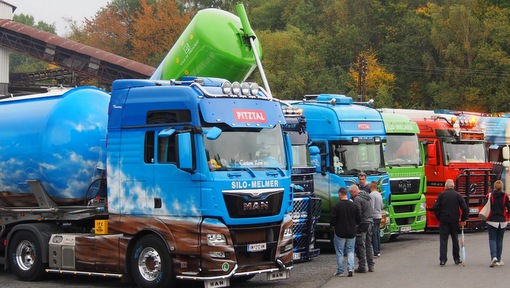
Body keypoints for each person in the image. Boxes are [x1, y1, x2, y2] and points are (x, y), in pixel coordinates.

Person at [432, 179, 468, 266]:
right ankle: (456, 258)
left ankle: (443, 259)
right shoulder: (457, 195)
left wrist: (439, 216)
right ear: (453, 186)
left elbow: (435, 207)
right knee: (455, 239)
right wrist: (463, 219)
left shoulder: (442, 195)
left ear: (446, 186)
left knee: (443, 240)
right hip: (454, 220)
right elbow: (464, 208)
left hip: (444, 219)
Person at [330, 187, 361, 277]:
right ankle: (351, 268)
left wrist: (333, 227)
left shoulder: (336, 206)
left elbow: (332, 220)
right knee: (350, 250)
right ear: (346, 194)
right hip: (351, 232)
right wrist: (355, 225)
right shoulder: (354, 206)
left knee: (340, 252)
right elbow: (359, 218)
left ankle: (341, 271)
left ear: (340, 194)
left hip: (340, 232)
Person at [349, 184, 375, 273]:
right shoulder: (367, 196)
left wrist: (356, 223)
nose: (351, 196)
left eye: (351, 193)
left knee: (361, 245)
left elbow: (357, 213)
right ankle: (371, 266)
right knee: (369, 244)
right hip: (370, 222)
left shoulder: (357, 199)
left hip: (363, 223)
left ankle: (362, 266)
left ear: (353, 191)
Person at [484, 180, 510, 267]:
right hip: (502, 220)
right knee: (499, 240)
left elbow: (485, 206)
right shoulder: (506, 196)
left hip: (492, 220)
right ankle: (498, 259)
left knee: (492, 239)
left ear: (494, 187)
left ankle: (493, 257)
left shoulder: (489, 196)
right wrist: (507, 217)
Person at [369, 180, 383, 257]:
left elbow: (371, 207)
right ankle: (378, 250)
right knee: (377, 234)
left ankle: (375, 251)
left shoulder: (371, 195)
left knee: (373, 234)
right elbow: (381, 206)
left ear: (370, 186)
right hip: (379, 216)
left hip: (373, 216)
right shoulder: (379, 194)